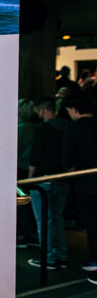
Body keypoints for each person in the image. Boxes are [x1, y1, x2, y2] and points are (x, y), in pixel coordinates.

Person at [26, 98, 70, 269]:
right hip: (62, 178)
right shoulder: (67, 126)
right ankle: (61, 254)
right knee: (57, 218)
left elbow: (35, 156)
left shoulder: (42, 129)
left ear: (43, 111)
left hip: (43, 179)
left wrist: (31, 178)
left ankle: (48, 257)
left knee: (44, 220)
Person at [60, 93, 97, 277]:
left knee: (92, 223)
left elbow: (68, 160)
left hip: (86, 184)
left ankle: (95, 259)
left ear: (74, 110)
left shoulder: (74, 129)